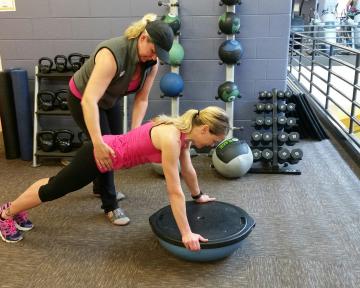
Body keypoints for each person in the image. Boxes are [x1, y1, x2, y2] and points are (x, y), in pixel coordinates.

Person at [0, 107, 230, 251]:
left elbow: (188, 170)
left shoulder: (182, 134)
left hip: (109, 155)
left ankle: (17, 207)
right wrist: (186, 233)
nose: (211, 145)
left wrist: (198, 196)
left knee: (54, 184)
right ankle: (6, 213)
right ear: (205, 129)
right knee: (53, 190)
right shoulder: (171, 138)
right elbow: (173, 189)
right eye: (213, 140)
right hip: (98, 157)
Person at [67, 13, 174, 226]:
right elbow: (89, 100)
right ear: (143, 38)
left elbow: (141, 100)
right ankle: (110, 204)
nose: (154, 57)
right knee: (107, 150)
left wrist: (135, 135)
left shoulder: (151, 64)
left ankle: (99, 187)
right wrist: (98, 143)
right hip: (84, 98)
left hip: (110, 99)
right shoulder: (112, 53)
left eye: (158, 55)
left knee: (118, 145)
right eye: (153, 51)